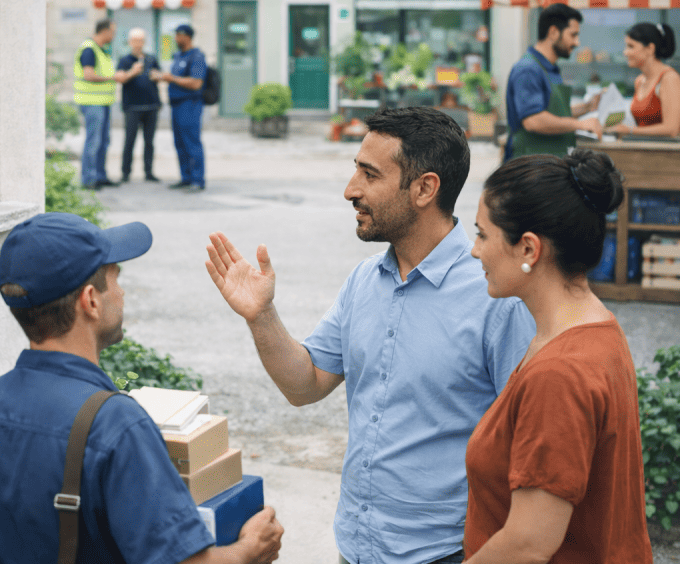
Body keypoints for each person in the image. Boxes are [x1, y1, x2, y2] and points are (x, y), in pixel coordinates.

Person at [205, 107, 536, 564]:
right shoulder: (364, 280)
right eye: (354, 171)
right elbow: (305, 384)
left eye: (369, 175)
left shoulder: (495, 296)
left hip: (446, 552)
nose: (350, 190)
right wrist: (261, 316)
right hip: (357, 547)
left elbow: (530, 447)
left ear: (425, 188)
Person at [0, 212, 284, 564]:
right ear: (91, 300)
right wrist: (249, 550)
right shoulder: (116, 425)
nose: (121, 293)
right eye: (116, 279)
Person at [464, 149, 651, 563]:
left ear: (529, 249)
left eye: (482, 234)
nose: (475, 251)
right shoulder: (595, 329)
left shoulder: (560, 373)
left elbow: (529, 543)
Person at [504, 3, 603, 160]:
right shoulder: (528, 69)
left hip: (549, 161)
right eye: (573, 35)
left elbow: (552, 113)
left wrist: (586, 107)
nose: (577, 42)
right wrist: (581, 124)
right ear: (553, 32)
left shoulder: (550, 68)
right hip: (528, 165)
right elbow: (534, 120)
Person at [73, 19, 143, 190]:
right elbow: (88, 75)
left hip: (103, 103)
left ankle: (100, 175)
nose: (114, 35)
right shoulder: (89, 49)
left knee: (104, 141)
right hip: (92, 103)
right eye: (112, 32)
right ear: (104, 31)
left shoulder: (102, 50)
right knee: (93, 142)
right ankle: (89, 179)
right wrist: (113, 78)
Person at [609, 22, 680, 138]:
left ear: (650, 49)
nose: (625, 52)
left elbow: (671, 129)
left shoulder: (669, 79)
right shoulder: (639, 81)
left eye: (631, 46)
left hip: (674, 153)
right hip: (648, 151)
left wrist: (630, 130)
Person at [160, 23, 207, 191]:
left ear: (186, 36)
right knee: (179, 143)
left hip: (190, 105)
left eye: (178, 35)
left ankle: (197, 180)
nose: (176, 39)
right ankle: (186, 177)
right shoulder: (178, 56)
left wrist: (172, 79)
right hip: (176, 105)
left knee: (191, 142)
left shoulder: (197, 56)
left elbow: (196, 83)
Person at [116, 27, 162, 182]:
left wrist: (157, 76)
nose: (138, 44)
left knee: (149, 141)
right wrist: (133, 72)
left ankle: (148, 172)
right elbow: (120, 79)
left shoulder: (151, 59)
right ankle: (125, 173)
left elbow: (159, 74)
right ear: (130, 42)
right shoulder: (125, 60)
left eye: (140, 40)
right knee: (130, 140)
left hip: (151, 106)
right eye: (135, 40)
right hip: (132, 107)